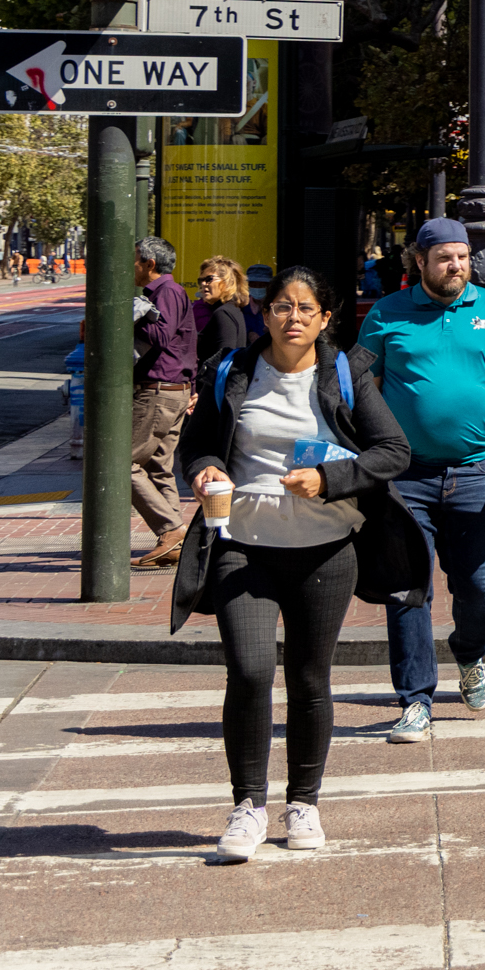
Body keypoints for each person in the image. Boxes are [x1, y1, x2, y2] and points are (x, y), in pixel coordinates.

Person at [182, 267, 414, 862]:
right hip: (242, 544)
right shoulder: (231, 371)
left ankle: (304, 802)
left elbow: (393, 451)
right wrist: (205, 469)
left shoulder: (346, 374)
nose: (293, 318)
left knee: (310, 678)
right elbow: (198, 442)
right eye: (282, 307)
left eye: (306, 309)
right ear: (266, 314)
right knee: (252, 671)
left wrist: (330, 479)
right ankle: (248, 807)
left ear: (324, 318)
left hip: (325, 551)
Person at [353, 217, 485, 743]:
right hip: (405, 477)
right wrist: (359, 448)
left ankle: (470, 655)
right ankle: (415, 700)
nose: (456, 265)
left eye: (462, 256)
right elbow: (359, 382)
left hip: (477, 471)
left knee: (480, 589)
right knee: (407, 589)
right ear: (420, 261)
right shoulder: (386, 313)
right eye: (444, 257)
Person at [130, 238, 200, 570]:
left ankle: (171, 528)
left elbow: (162, 336)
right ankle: (173, 541)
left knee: (121, 465)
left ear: (149, 263)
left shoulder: (166, 293)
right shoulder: (166, 293)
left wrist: (139, 311)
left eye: (134, 260)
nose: (131, 267)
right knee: (158, 465)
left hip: (159, 391)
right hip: (172, 389)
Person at [194, 258, 253, 391]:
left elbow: (222, 363)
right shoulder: (232, 311)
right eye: (200, 280)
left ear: (227, 282)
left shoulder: (223, 313)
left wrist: (203, 396)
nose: (203, 284)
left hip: (215, 395)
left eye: (209, 279)